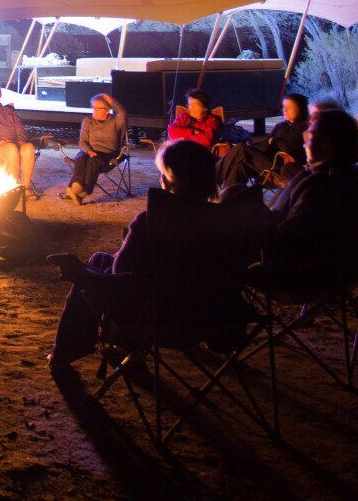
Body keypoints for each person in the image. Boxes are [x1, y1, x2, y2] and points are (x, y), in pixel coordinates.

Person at [48, 138, 266, 366]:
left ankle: (66, 355)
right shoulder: (229, 221)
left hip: (158, 318)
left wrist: (81, 273)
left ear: (169, 177)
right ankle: (104, 350)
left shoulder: (152, 222)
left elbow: (121, 275)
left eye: (162, 171)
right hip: (216, 316)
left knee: (96, 265)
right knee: (102, 259)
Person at [259, 108, 358, 289]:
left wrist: (253, 215)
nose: (303, 141)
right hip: (334, 269)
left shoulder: (322, 186)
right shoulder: (351, 178)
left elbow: (286, 240)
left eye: (308, 133)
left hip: (299, 273)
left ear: (326, 143)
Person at [214, 91, 309, 188]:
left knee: (241, 148)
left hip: (281, 169)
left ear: (300, 109)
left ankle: (212, 181)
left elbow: (292, 151)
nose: (284, 110)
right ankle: (227, 198)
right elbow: (264, 145)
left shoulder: (304, 128)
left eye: (289, 107)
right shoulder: (281, 126)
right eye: (284, 106)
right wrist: (252, 147)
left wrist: (275, 141)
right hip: (265, 163)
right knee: (239, 165)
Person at [63, 92, 127, 204]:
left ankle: (82, 192)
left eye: (98, 108)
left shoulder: (115, 121)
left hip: (107, 153)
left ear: (107, 110)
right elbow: (82, 142)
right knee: (80, 158)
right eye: (93, 107)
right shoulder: (87, 121)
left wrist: (109, 99)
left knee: (93, 161)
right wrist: (89, 150)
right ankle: (76, 187)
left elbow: (122, 112)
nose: (94, 110)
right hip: (89, 151)